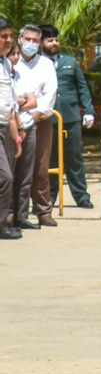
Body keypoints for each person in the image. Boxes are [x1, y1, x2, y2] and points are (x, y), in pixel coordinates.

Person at [41, 25, 94, 210]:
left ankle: (81, 196)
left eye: (56, 39)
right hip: (48, 117)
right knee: (51, 159)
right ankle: (51, 196)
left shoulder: (70, 61)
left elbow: (82, 88)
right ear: (42, 43)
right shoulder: (38, 63)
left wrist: (88, 111)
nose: (54, 43)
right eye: (50, 40)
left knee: (74, 157)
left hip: (70, 117)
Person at [13, 24, 58, 227]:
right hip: (15, 120)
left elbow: (50, 93)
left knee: (40, 167)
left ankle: (42, 210)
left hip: (41, 120)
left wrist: (38, 114)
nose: (31, 44)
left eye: (35, 40)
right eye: (27, 39)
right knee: (14, 168)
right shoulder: (11, 62)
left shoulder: (46, 64)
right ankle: (13, 212)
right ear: (20, 39)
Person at [0, 21, 21, 238]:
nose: (8, 40)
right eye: (3, 36)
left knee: (8, 176)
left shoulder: (6, 64)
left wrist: (16, 137)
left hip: (5, 126)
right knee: (4, 177)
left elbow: (10, 103)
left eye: (10, 36)